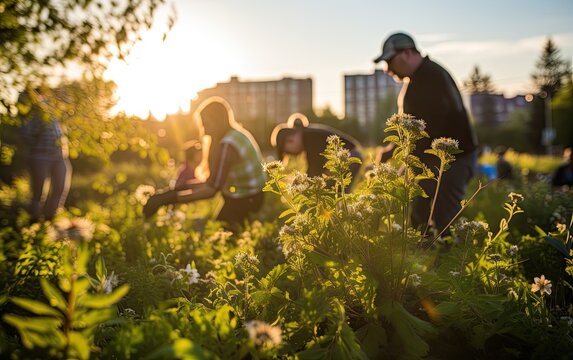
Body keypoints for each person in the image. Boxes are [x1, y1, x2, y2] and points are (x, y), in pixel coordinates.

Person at [373, 32, 478, 234]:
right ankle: (424, 259)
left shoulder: (432, 77)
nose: (387, 69)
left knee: (444, 219)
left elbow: (432, 127)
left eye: (389, 61)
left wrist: (408, 164)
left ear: (406, 53)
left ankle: (451, 262)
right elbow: (413, 126)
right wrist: (392, 149)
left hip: (451, 161)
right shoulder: (417, 79)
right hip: (432, 160)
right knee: (418, 214)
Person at [143, 97, 267, 225]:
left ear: (218, 121)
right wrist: (179, 188)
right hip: (247, 195)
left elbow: (211, 190)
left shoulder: (228, 145)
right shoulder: (235, 134)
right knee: (222, 228)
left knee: (220, 231)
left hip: (248, 199)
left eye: (207, 124)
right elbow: (211, 181)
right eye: (202, 125)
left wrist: (168, 199)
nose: (204, 130)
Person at [270, 113, 363, 192]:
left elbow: (315, 169)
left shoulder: (308, 136)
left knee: (335, 190)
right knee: (333, 188)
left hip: (350, 156)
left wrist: (299, 183)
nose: (291, 154)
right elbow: (314, 168)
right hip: (351, 155)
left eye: (287, 151)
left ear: (289, 140)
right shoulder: (307, 134)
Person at [20, 88, 72, 222]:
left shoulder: (58, 113)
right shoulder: (36, 114)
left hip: (60, 156)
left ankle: (50, 219)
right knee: (39, 192)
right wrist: (37, 146)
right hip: (40, 156)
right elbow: (26, 133)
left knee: (60, 187)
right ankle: (34, 222)